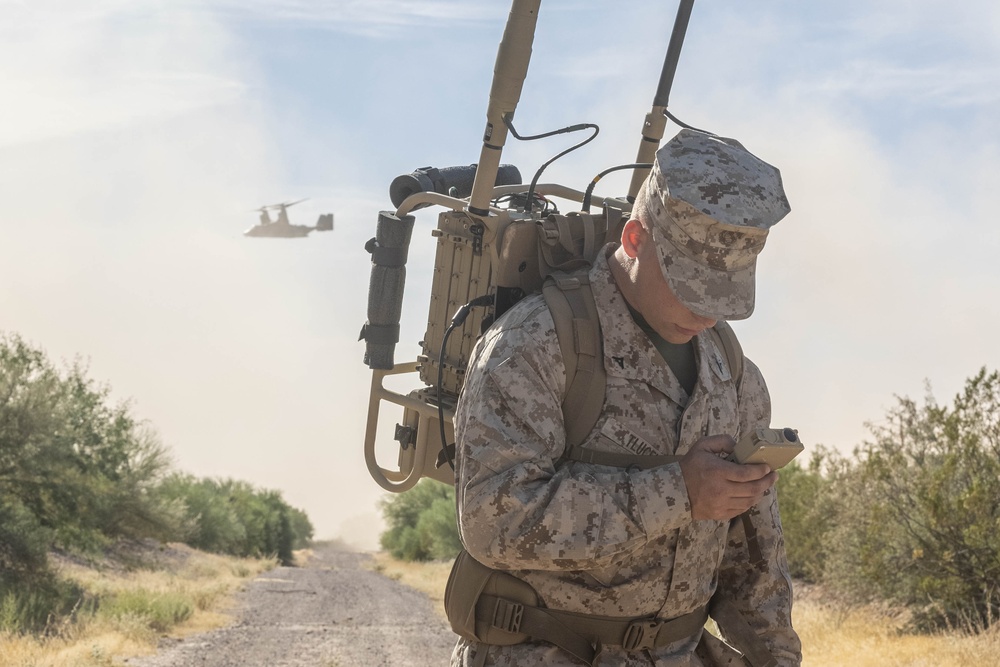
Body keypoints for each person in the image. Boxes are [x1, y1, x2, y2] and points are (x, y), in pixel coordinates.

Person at [449, 128, 802, 667]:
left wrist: (776, 657)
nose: (708, 312)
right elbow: (491, 524)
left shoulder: (733, 375)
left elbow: (753, 557)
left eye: (724, 293)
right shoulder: (533, 346)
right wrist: (677, 492)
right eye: (690, 285)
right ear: (635, 240)